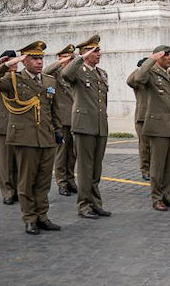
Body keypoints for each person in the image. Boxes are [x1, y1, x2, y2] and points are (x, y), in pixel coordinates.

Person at [0, 41, 62, 235]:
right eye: (33, 58)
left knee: (43, 181)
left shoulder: (49, 81)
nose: (39, 62)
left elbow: (53, 109)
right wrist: (4, 65)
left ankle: (42, 216)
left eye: (40, 58)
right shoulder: (14, 79)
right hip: (25, 138)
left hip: (46, 137)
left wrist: (58, 130)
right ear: (24, 60)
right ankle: (29, 218)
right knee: (26, 181)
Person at [62, 35, 111, 219]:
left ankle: (95, 203)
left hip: (99, 126)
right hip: (84, 126)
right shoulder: (78, 71)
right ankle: (84, 205)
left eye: (98, 50)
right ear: (85, 53)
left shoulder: (101, 73)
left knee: (96, 169)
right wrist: (79, 58)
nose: (99, 54)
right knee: (85, 169)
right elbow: (65, 74)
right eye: (95, 51)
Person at [131, 45, 170, 211]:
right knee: (158, 166)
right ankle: (156, 198)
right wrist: (151, 59)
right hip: (158, 125)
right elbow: (137, 78)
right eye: (166, 55)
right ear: (159, 57)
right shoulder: (151, 73)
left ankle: (167, 194)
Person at [43, 44, 77, 196]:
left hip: (76, 118)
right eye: (66, 58)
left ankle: (70, 180)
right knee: (61, 154)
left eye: (71, 58)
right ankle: (61, 182)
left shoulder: (74, 73)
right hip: (62, 119)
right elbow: (45, 71)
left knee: (72, 153)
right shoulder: (55, 74)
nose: (70, 61)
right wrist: (61, 63)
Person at [0, 51, 19, 205]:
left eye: (15, 61)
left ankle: (18, 190)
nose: (13, 64)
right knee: (5, 162)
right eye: (9, 62)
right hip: (3, 124)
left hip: (20, 124)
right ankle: (8, 192)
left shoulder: (21, 77)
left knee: (19, 161)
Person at [127, 57, 151, 180]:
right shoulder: (138, 80)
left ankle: (155, 169)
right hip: (143, 117)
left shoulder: (154, 78)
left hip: (156, 117)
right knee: (145, 146)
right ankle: (145, 169)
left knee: (156, 147)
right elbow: (129, 81)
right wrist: (141, 69)